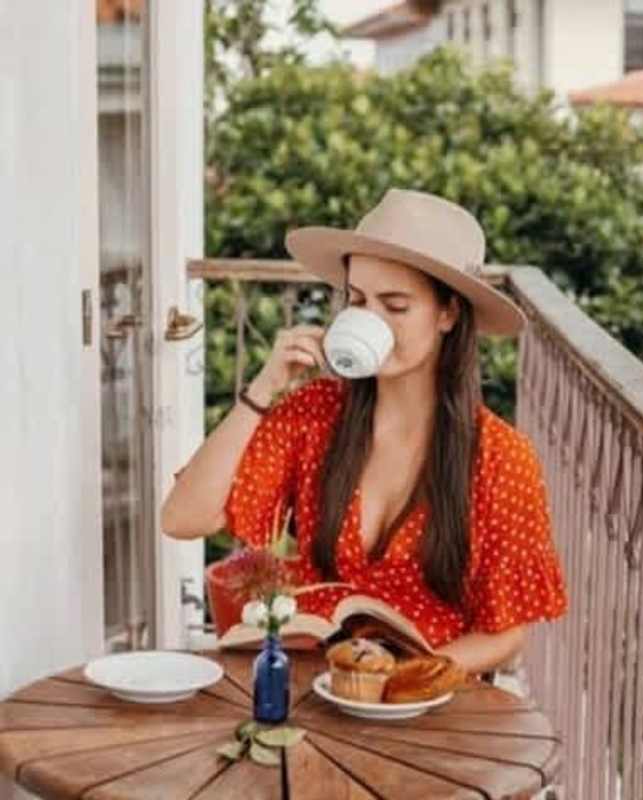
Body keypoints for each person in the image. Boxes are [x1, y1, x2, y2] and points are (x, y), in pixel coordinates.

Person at [162, 189, 568, 675]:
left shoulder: (500, 457)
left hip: (426, 701)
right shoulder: (317, 414)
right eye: (357, 301)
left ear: (448, 314)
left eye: (395, 306)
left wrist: (399, 679)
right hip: (316, 683)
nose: (370, 321)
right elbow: (183, 517)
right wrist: (263, 389)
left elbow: (507, 632)